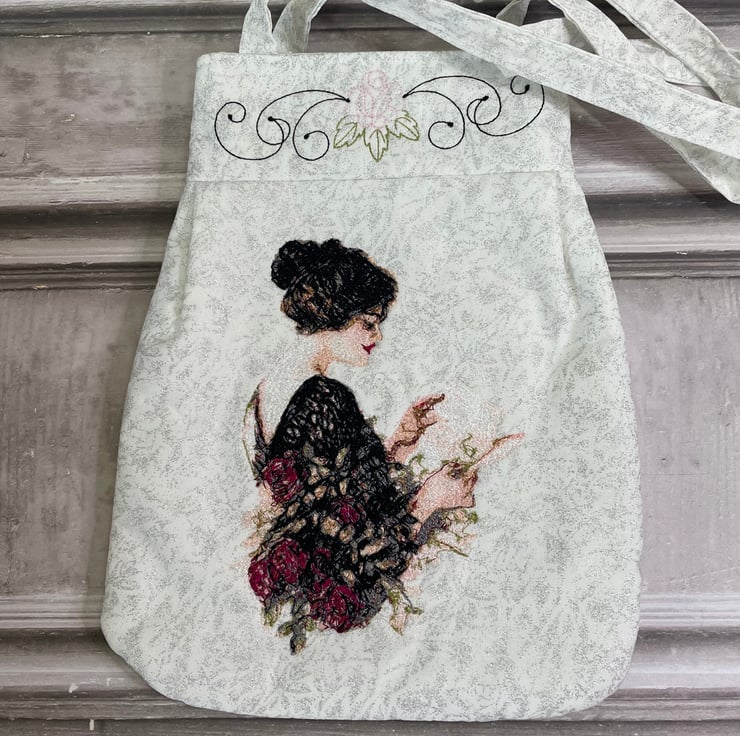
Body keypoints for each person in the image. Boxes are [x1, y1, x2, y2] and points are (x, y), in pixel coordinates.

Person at [243, 238, 481, 653]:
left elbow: (330, 494)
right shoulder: (324, 398)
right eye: (369, 323)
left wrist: (399, 444)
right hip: (338, 599)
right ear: (333, 315)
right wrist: (430, 500)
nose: (378, 336)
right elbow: (348, 541)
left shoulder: (268, 389)